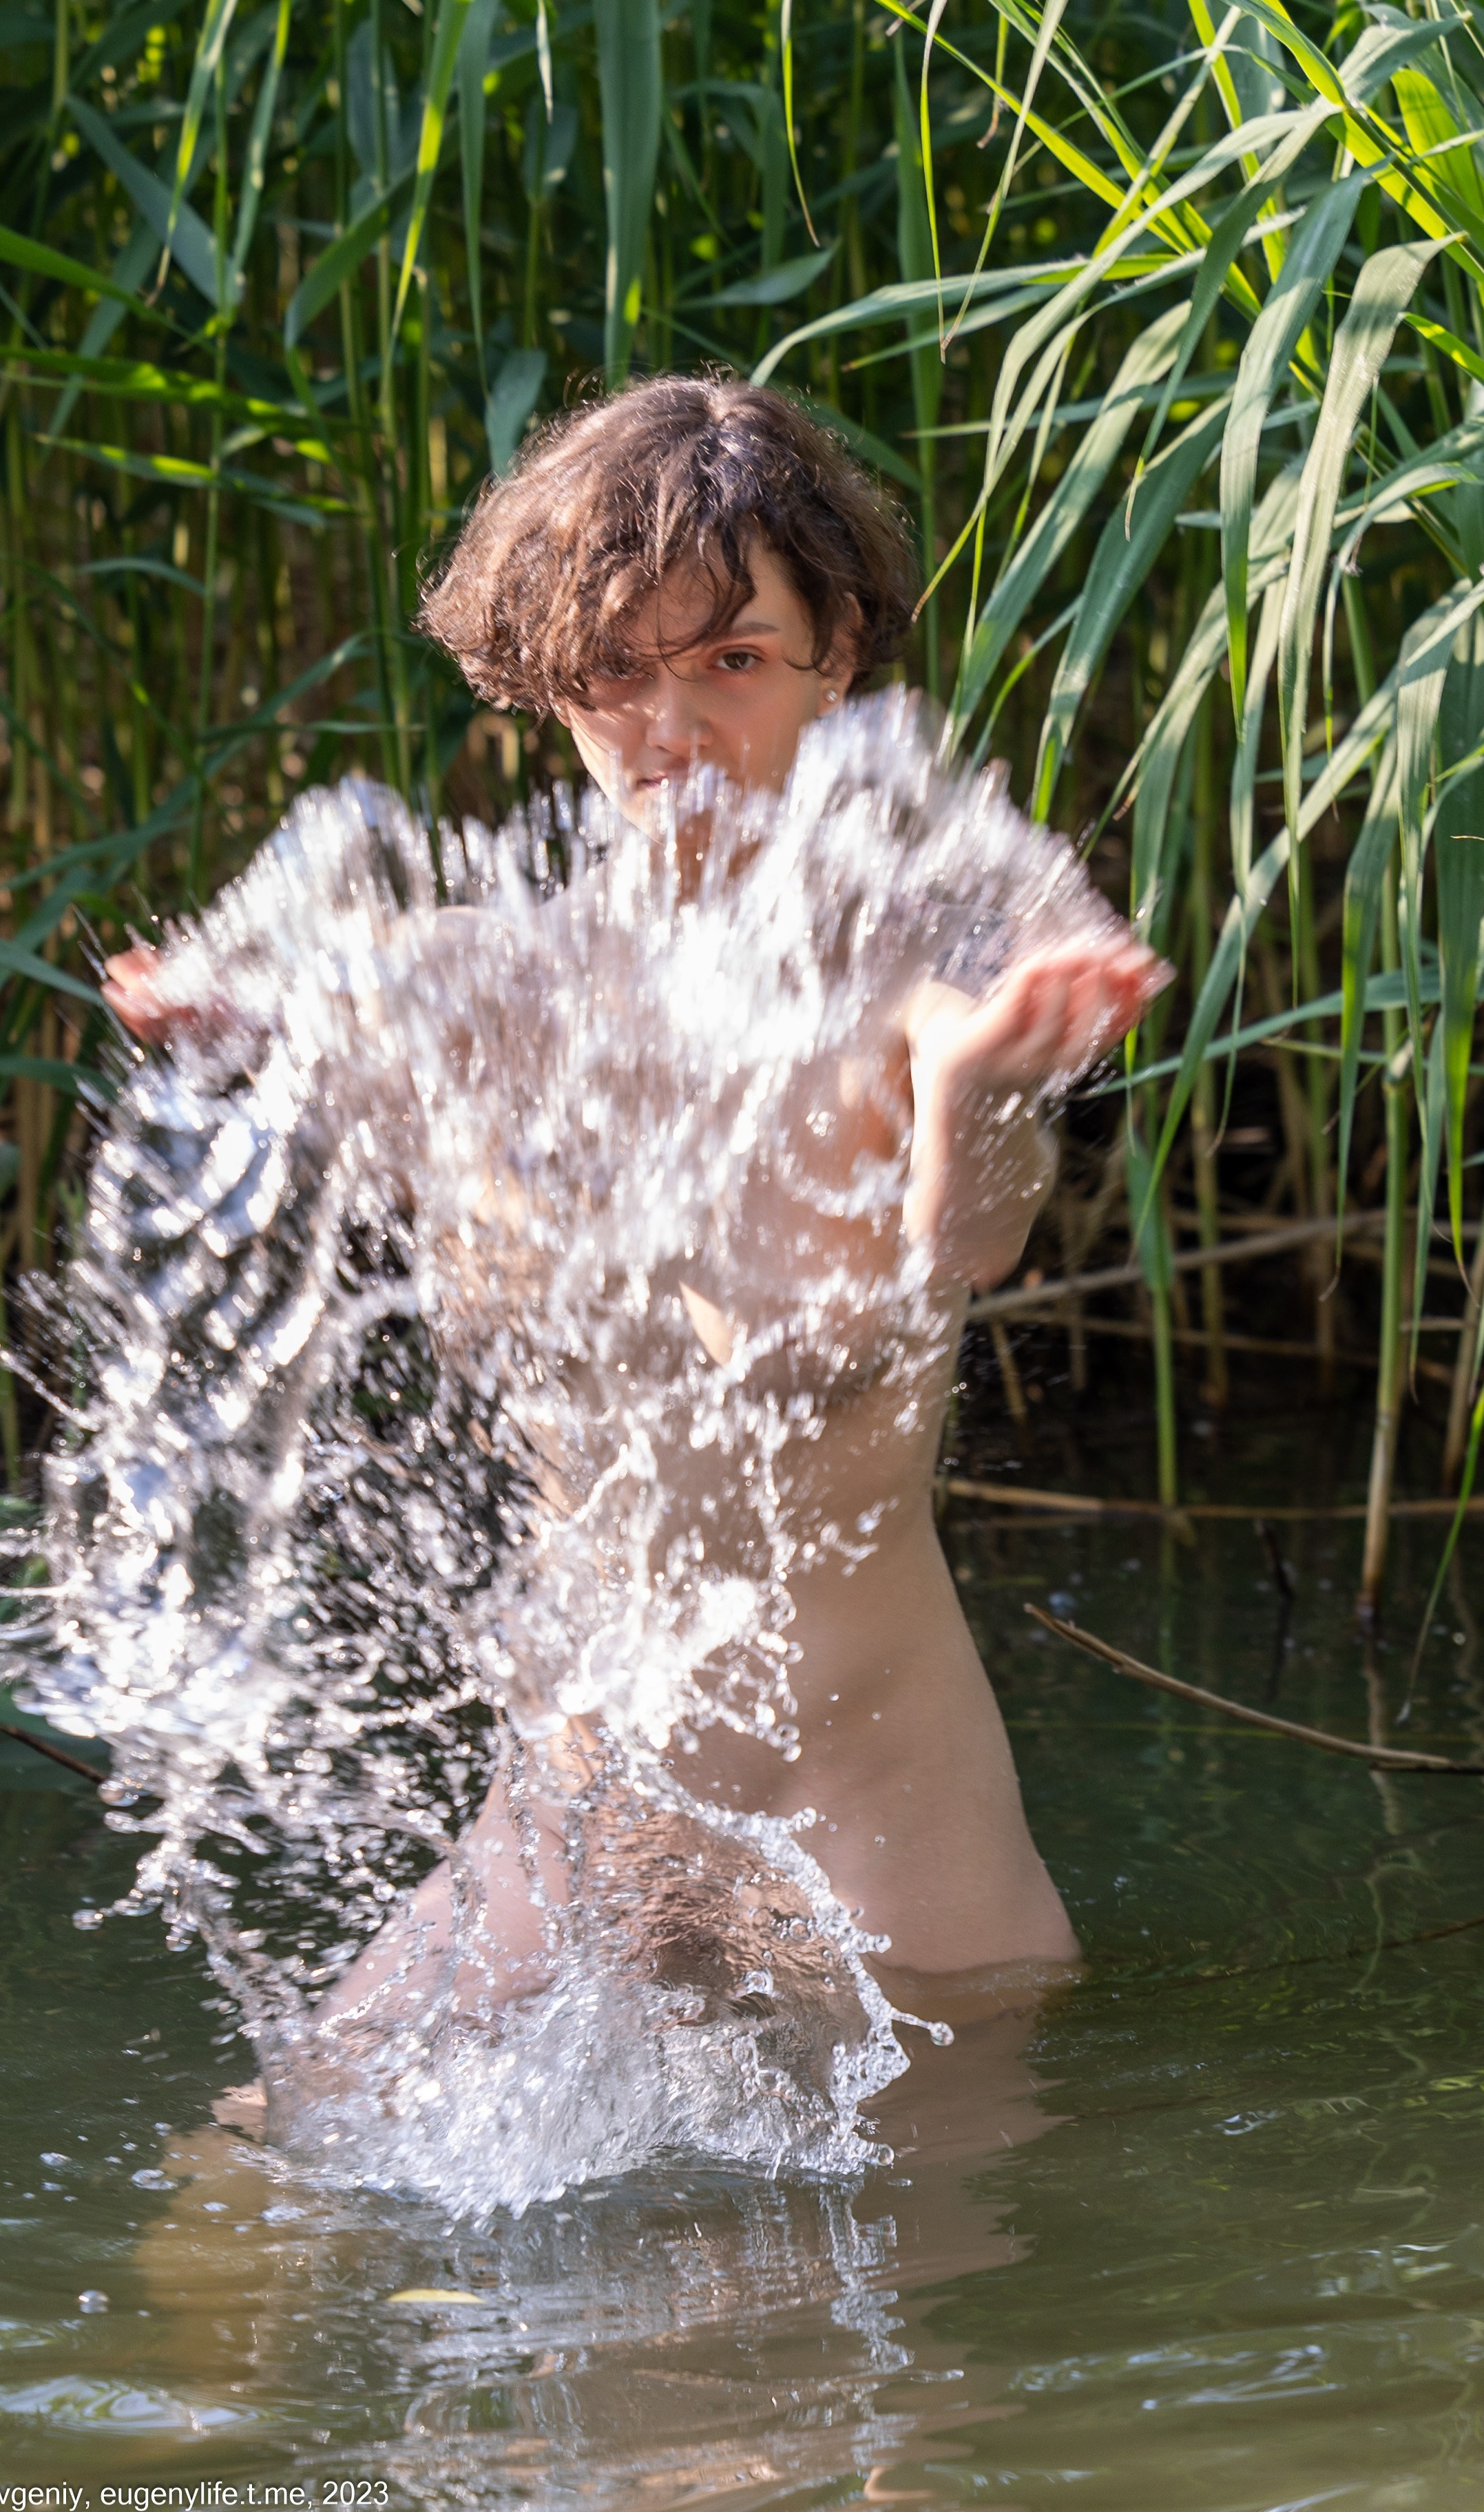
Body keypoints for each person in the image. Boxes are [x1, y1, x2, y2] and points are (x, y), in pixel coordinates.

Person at [104, 377, 1164, 2020]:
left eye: (732, 660)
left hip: (873, 1808)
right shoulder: (479, 993)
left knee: (933, 2265)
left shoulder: (935, 911)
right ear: (550, 683)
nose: (671, 730)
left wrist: (987, 1090)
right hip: (582, 1807)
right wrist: (246, 1032)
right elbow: (280, 1059)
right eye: (617, 673)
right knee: (249, 2190)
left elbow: (976, 1234)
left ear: (840, 651)